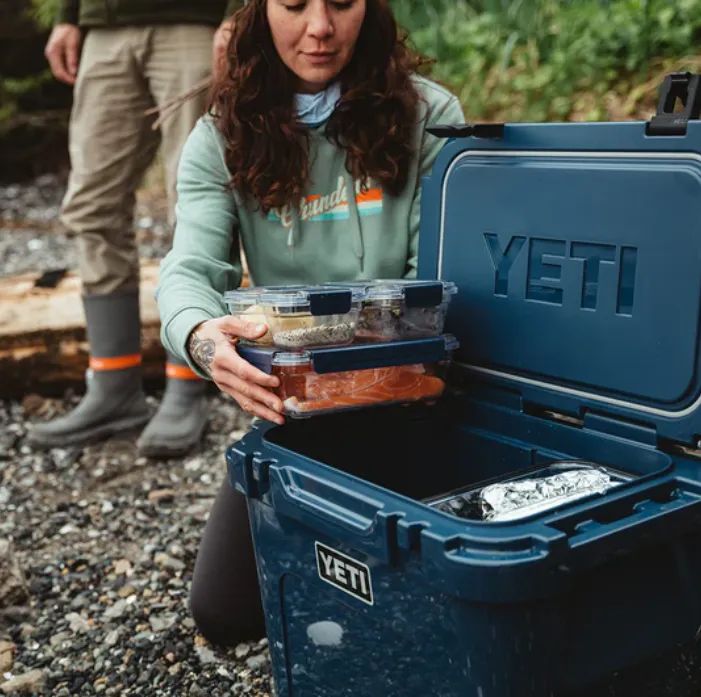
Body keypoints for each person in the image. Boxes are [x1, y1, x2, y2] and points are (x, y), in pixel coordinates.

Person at [155, 0, 465, 645]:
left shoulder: (430, 116)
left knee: (410, 603)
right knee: (223, 613)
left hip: (418, 395)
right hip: (294, 407)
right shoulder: (220, 135)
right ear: (258, 13)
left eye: (342, 3)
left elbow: (432, 273)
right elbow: (190, 267)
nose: (320, 28)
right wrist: (200, 336)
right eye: (294, 5)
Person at [26, 0, 244, 457]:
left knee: (195, 199)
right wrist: (68, 16)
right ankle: (113, 383)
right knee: (91, 205)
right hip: (105, 24)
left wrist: (238, 13)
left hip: (194, 20)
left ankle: (189, 380)